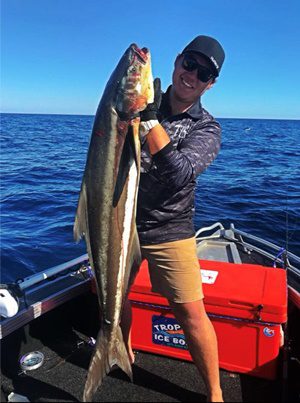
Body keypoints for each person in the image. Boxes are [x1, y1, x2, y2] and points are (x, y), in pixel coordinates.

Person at [121, 35, 225, 402]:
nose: (191, 74)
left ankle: (214, 393)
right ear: (177, 61)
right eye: (189, 63)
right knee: (112, 296)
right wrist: (139, 109)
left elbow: (179, 174)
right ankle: (123, 351)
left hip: (170, 229)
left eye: (203, 73)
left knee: (191, 314)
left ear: (210, 84)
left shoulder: (207, 128)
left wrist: (149, 121)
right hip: (122, 223)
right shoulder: (142, 101)